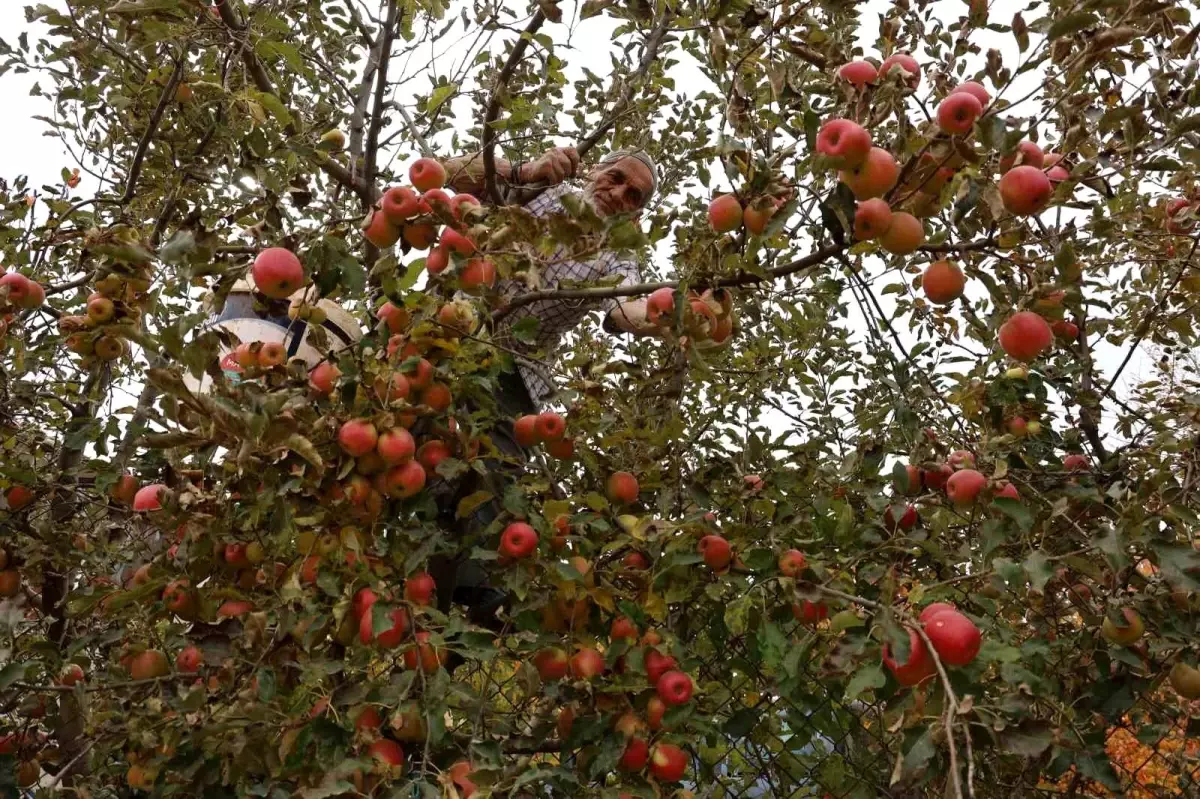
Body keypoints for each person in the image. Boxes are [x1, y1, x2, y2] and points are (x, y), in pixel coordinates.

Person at [429, 145, 673, 633]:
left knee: (495, 473)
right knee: (424, 444)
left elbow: (624, 310)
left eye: (634, 196)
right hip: (447, 330)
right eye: (616, 178)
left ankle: (479, 596)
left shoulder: (621, 255)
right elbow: (445, 174)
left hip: (514, 368)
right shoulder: (547, 187)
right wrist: (526, 168)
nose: (619, 194)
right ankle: (418, 555)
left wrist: (662, 317)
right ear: (598, 169)